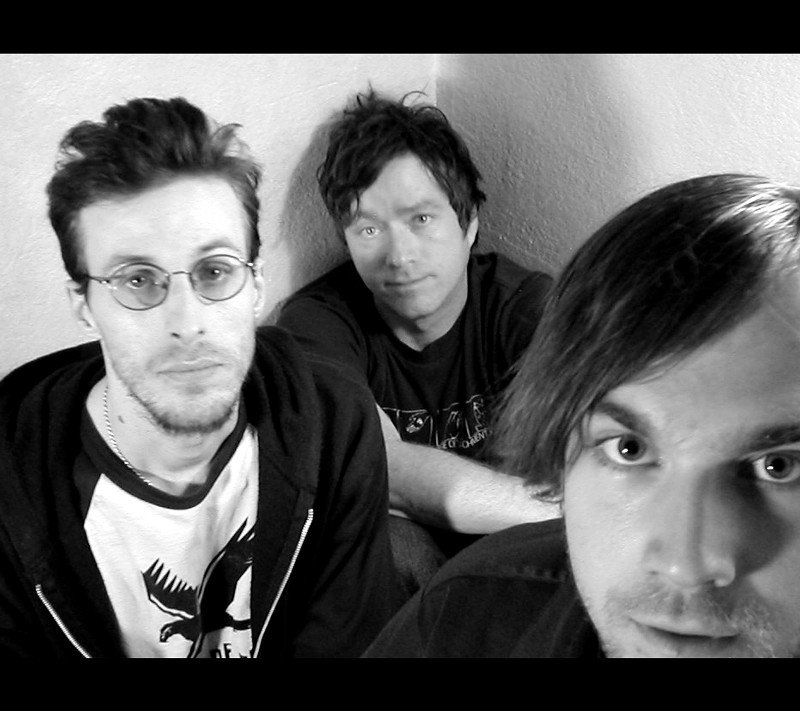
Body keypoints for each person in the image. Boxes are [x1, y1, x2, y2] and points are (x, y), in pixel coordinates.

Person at [0, 96, 395, 658]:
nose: (187, 323)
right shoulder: (14, 486)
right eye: (137, 280)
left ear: (256, 286)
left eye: (214, 271)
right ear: (84, 305)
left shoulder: (333, 423)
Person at [364, 173, 800, 658]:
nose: (685, 567)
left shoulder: (512, 299)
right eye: (629, 449)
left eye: (780, 465)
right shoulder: (470, 612)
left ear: (468, 226)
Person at [277, 89, 559, 603]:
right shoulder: (318, 324)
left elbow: (592, 454)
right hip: (403, 569)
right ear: (345, 242)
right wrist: (566, 509)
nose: (399, 255)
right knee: (392, 545)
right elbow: (382, 468)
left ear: (468, 224)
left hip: (514, 553)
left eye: (421, 219)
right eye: (368, 228)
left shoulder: (525, 310)